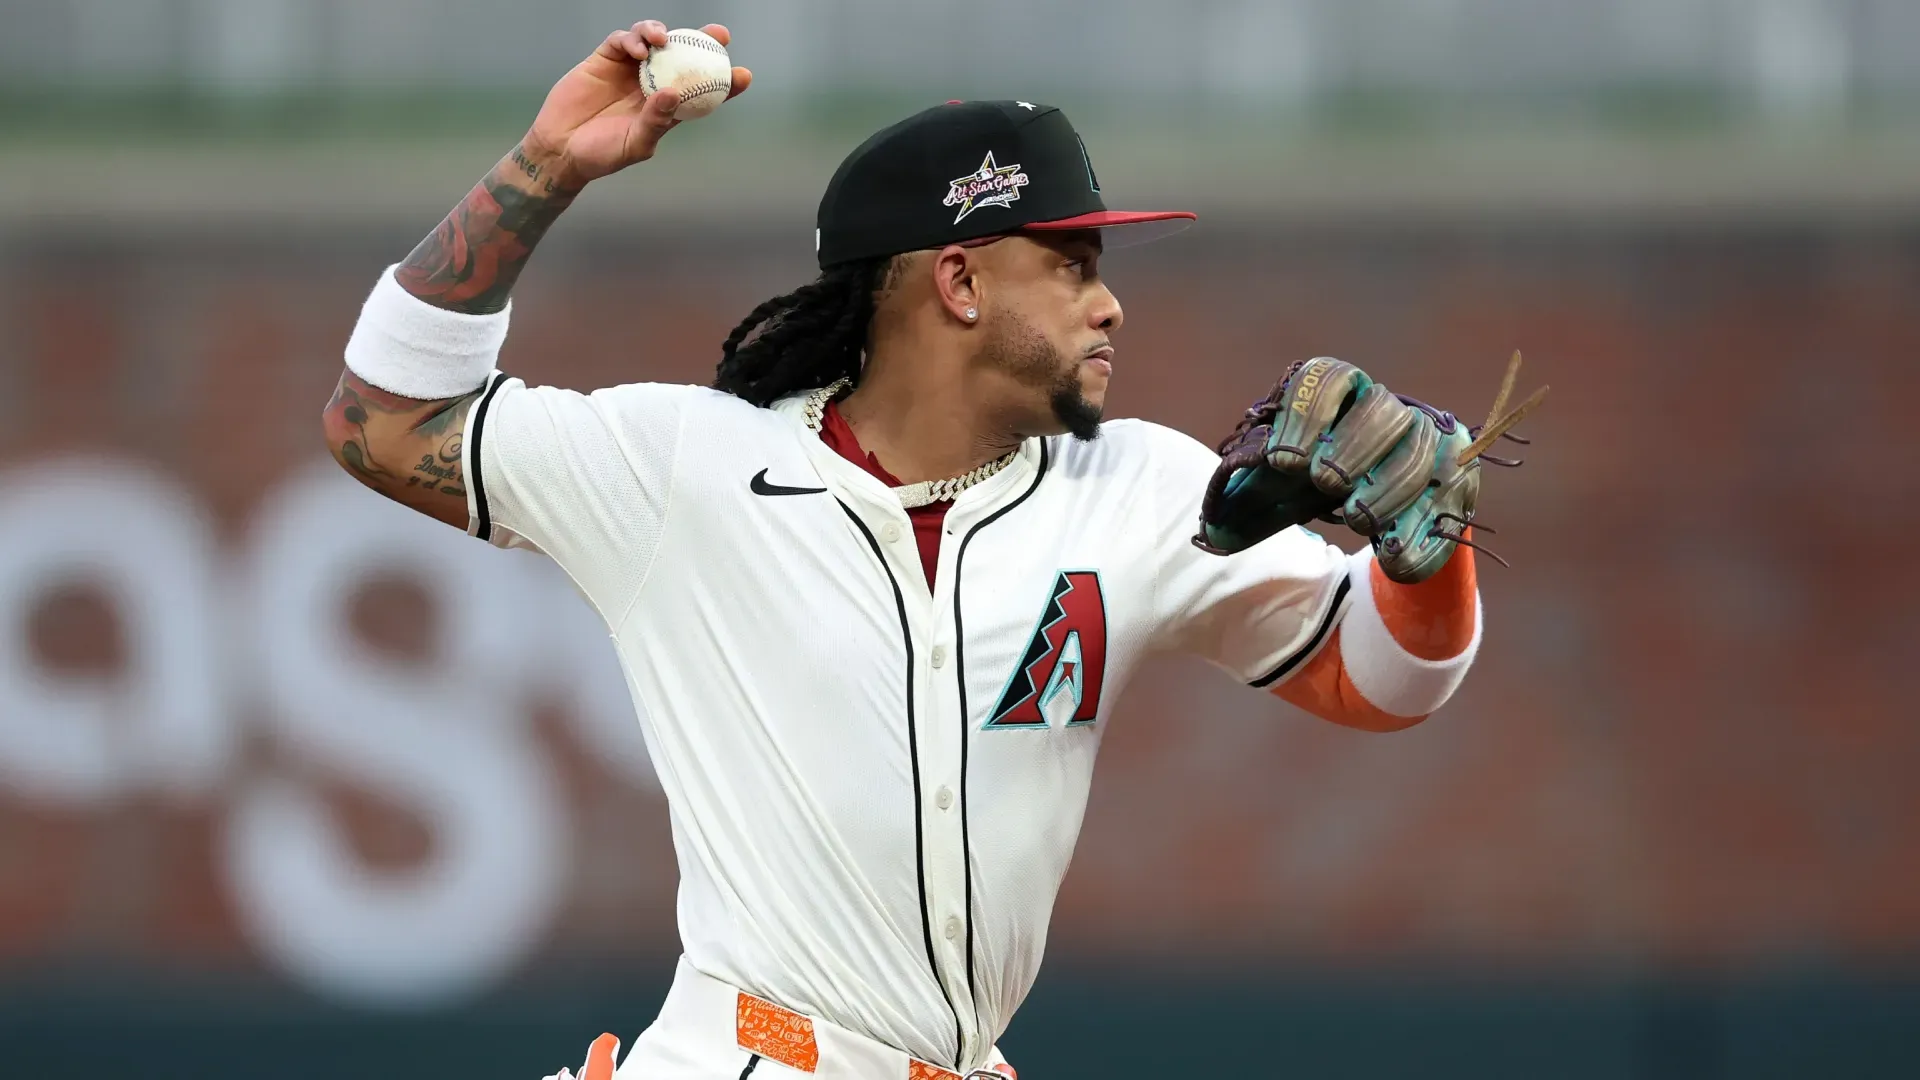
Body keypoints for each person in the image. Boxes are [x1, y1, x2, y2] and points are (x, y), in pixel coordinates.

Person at [324, 19, 1487, 1080]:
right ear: (960, 279)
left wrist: (1424, 562)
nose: (1109, 304)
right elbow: (381, 419)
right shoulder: (691, 469)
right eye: (1072, 265)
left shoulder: (1131, 483)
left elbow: (1377, 680)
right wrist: (549, 166)